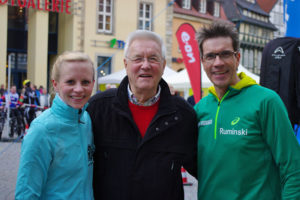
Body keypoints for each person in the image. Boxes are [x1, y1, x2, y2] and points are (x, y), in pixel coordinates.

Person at [194, 20, 300, 199]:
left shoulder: (266, 101)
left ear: (237, 58)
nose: (218, 63)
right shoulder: (200, 109)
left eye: (225, 54)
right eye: (210, 56)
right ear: (202, 61)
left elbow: (293, 169)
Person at [87, 30, 198, 200]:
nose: (145, 65)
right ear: (125, 64)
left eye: (153, 58)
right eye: (138, 58)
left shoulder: (183, 115)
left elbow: (205, 170)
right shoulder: (98, 109)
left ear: (163, 65)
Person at [15, 51, 95, 199]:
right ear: (55, 84)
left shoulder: (86, 119)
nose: (78, 89)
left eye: (85, 82)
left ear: (93, 84)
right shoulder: (41, 130)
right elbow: (26, 194)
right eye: (70, 81)